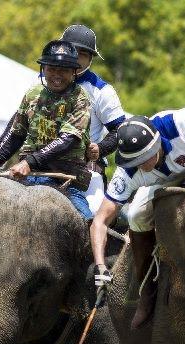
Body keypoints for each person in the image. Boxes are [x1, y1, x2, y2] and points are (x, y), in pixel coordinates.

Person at [90, 110, 185, 328]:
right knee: (135, 215)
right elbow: (100, 221)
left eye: (144, 158)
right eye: (134, 161)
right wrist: (100, 266)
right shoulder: (128, 172)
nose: (140, 165)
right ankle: (147, 291)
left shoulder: (178, 123)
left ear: (156, 144)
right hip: (165, 182)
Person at [0, 40, 94, 220]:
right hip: (27, 175)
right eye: (52, 69)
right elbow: (15, 136)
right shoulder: (32, 94)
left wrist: (29, 162)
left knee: (85, 220)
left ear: (74, 72)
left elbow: (68, 139)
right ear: (43, 69)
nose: (57, 75)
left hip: (65, 178)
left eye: (63, 70)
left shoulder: (80, 98)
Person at [60, 24, 127, 209]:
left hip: (85, 167)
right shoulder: (43, 81)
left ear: (91, 58)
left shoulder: (101, 90)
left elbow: (120, 129)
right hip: (41, 165)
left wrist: (101, 148)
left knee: (94, 217)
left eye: (82, 53)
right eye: (71, 51)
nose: (75, 57)